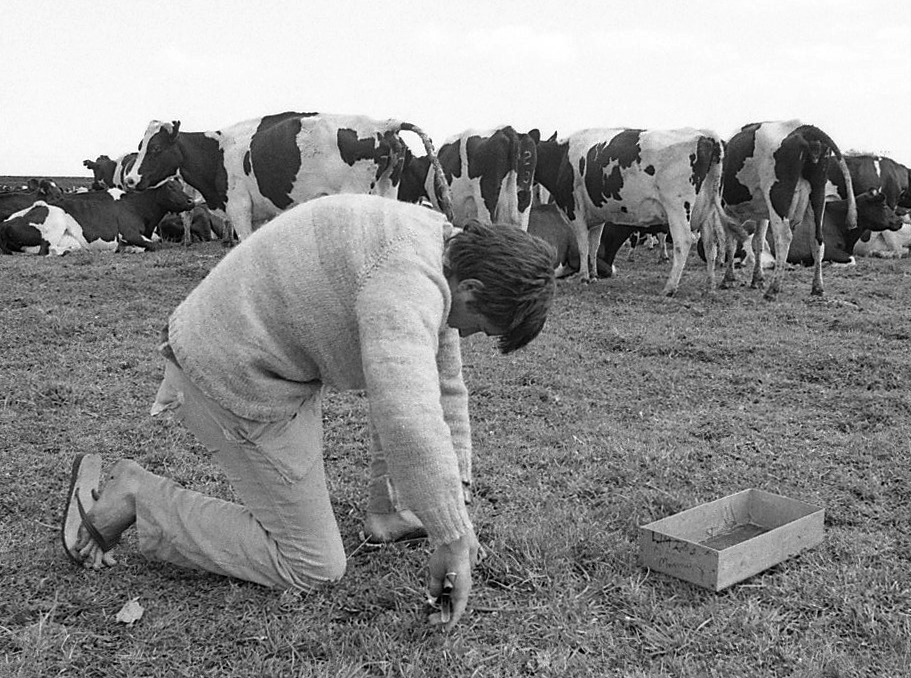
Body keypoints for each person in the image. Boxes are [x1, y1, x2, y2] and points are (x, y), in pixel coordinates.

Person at [61, 194, 556, 628]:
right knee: (313, 565)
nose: (467, 335)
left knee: (402, 391)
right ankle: (139, 497)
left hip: (262, 360)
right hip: (229, 376)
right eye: (480, 327)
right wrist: (452, 538)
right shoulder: (406, 281)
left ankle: (387, 512)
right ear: (472, 289)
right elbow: (407, 414)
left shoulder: (436, 246)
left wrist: (456, 509)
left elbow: (443, 389)